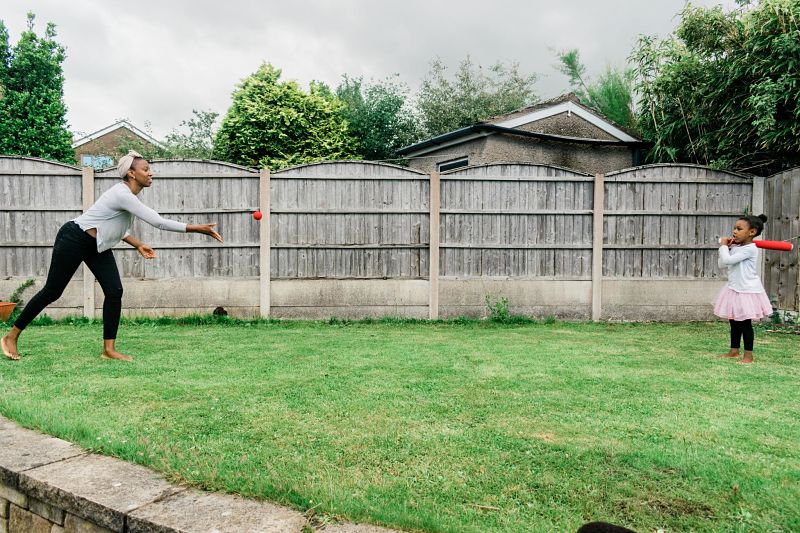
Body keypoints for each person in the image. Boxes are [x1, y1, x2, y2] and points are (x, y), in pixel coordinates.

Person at [1, 151, 222, 362]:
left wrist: (138, 244)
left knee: (114, 291)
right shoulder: (122, 194)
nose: (151, 173)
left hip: (97, 245)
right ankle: (11, 336)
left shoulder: (127, 196)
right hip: (74, 238)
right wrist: (198, 228)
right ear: (131, 173)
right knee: (53, 291)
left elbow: (113, 226)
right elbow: (158, 222)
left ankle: (109, 350)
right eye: (146, 169)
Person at [714, 214, 772, 364]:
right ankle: (734, 351)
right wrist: (727, 247)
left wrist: (723, 246)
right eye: (734, 228)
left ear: (752, 232)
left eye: (739, 229)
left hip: (747, 291)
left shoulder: (750, 249)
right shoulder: (737, 247)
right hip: (734, 289)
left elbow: (726, 259)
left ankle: (748, 356)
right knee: (734, 321)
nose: (734, 231)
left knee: (745, 324)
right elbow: (723, 263)